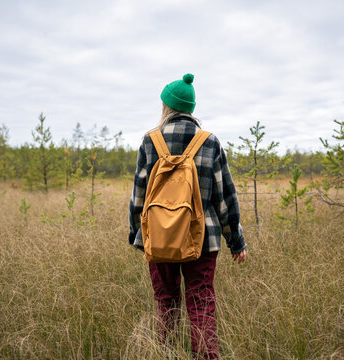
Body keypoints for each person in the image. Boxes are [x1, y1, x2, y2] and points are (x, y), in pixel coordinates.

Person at [128, 73, 247, 359]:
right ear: (190, 108)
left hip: (159, 237)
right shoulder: (210, 142)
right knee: (201, 303)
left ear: (167, 106)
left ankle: (163, 354)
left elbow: (138, 197)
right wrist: (237, 242)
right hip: (202, 240)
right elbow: (225, 197)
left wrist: (138, 236)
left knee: (166, 303)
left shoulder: (150, 141)